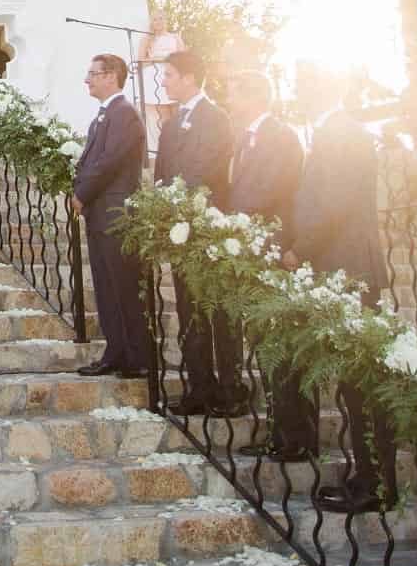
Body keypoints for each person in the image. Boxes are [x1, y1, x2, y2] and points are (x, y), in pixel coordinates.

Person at [288, 71, 398, 513]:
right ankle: (366, 476)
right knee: (355, 382)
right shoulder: (338, 130)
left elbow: (331, 203)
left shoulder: (340, 132)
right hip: (345, 266)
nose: (297, 93)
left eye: (303, 86)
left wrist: (299, 248)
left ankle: (375, 483)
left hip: (349, 268)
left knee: (362, 381)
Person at [153, 49, 245, 416]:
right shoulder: (172, 124)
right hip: (180, 233)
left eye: (170, 75)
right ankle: (199, 387)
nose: (164, 81)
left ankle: (230, 389)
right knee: (190, 309)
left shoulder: (216, 118)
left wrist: (178, 199)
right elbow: (161, 171)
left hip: (208, 230)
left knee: (219, 311)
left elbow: (207, 169)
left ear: (190, 77)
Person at [222, 72, 307, 460]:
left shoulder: (282, 136)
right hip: (251, 252)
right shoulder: (244, 138)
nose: (228, 96)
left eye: (233, 90)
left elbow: (272, 187)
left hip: (274, 249)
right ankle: (277, 431)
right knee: (264, 346)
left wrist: (230, 218)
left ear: (253, 96)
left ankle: (295, 437)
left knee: (282, 346)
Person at [70, 54, 151, 379]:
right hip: (99, 212)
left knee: (123, 284)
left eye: (93, 74)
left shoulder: (124, 115)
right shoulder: (103, 116)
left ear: (112, 76)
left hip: (116, 212)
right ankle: (116, 351)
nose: (87, 79)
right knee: (106, 285)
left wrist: (81, 193)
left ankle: (136, 355)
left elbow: (109, 161)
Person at [135, 11, 184, 152]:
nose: (158, 22)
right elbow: (141, 60)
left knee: (177, 109)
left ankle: (180, 142)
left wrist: (169, 61)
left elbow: (182, 57)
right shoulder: (147, 39)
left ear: (166, 20)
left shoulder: (175, 37)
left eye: (161, 19)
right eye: (155, 19)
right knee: (163, 114)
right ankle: (167, 144)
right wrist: (159, 59)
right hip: (155, 76)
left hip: (174, 72)